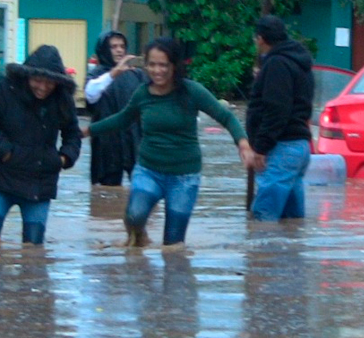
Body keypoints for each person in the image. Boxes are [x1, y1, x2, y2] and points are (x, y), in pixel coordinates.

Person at [83, 37, 254, 247]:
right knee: (134, 216)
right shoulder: (143, 94)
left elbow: (226, 117)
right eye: (152, 64)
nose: (157, 70)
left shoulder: (192, 91)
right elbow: (122, 119)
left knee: (173, 244)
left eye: (163, 65)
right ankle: (140, 246)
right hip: (149, 170)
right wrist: (88, 130)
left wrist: (243, 143)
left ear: (174, 65)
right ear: (145, 66)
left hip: (184, 176)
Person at [0, 45, 82, 245]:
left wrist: (63, 159)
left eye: (50, 82)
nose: (43, 87)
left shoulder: (62, 99)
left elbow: (73, 133)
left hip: (40, 183)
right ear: (27, 74)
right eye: (38, 80)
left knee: (33, 251)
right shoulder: (5, 89)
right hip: (0, 179)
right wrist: (4, 151)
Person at [245, 15, 315, 221]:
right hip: (299, 147)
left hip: (281, 148)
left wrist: (261, 147)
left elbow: (276, 110)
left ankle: (265, 255)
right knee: (291, 223)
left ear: (260, 39)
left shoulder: (277, 64)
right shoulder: (298, 62)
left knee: (263, 224)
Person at [85, 31, 148, 186]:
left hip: (134, 138)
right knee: (107, 190)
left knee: (143, 187)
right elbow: (90, 96)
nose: (119, 50)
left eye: (122, 46)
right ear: (104, 49)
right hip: (107, 142)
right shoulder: (96, 75)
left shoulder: (136, 74)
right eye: (113, 47)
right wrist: (113, 73)